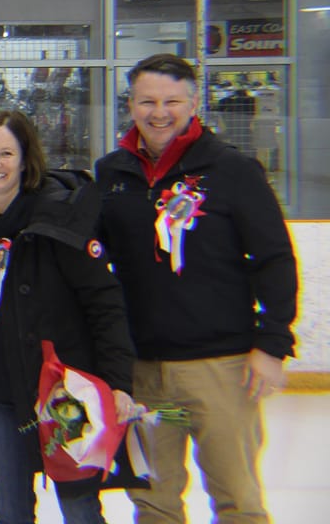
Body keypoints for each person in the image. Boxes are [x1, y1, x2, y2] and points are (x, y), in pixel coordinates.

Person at [95, 54, 297, 523]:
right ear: (130, 104)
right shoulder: (112, 174)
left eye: (172, 101)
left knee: (236, 500)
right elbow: (99, 268)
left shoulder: (233, 170)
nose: (159, 112)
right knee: (154, 502)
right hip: (144, 373)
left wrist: (271, 345)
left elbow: (275, 259)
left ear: (193, 103)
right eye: (147, 101)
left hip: (220, 370)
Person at [0, 109, 137, 523]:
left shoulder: (59, 219)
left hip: (61, 389)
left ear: (25, 159)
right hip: (0, 388)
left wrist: (119, 381)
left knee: (78, 503)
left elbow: (104, 302)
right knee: (13, 507)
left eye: (5, 153)